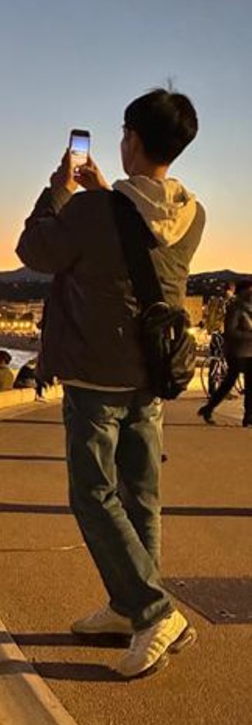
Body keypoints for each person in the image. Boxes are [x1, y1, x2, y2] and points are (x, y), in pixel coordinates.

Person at [16, 88, 205, 679]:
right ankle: (130, 608)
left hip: (97, 375)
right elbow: (131, 243)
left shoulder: (92, 211)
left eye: (125, 132)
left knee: (94, 495)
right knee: (140, 495)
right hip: (151, 373)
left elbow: (34, 250)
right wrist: (101, 197)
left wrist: (59, 192)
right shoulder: (193, 212)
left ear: (132, 140)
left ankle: (152, 610)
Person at [198, 279, 252, 427]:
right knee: (229, 382)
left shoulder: (249, 307)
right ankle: (208, 408)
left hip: (249, 351)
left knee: (248, 383)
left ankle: (248, 416)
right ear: (243, 292)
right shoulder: (236, 308)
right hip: (237, 351)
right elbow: (230, 331)